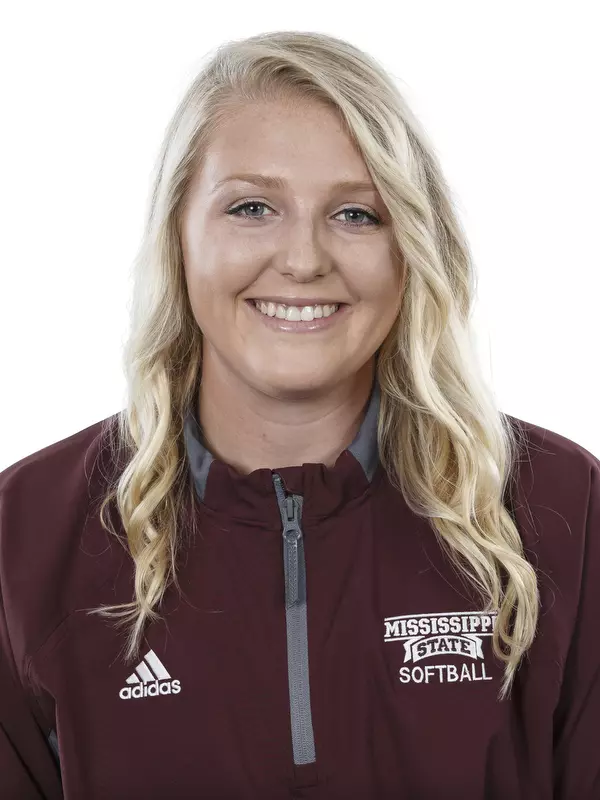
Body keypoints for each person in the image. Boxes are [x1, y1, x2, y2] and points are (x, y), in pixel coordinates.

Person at [1, 29, 599, 800]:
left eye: (356, 215)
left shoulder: (559, 508)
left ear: (412, 246)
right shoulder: (26, 537)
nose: (305, 258)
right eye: (252, 207)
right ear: (179, 236)